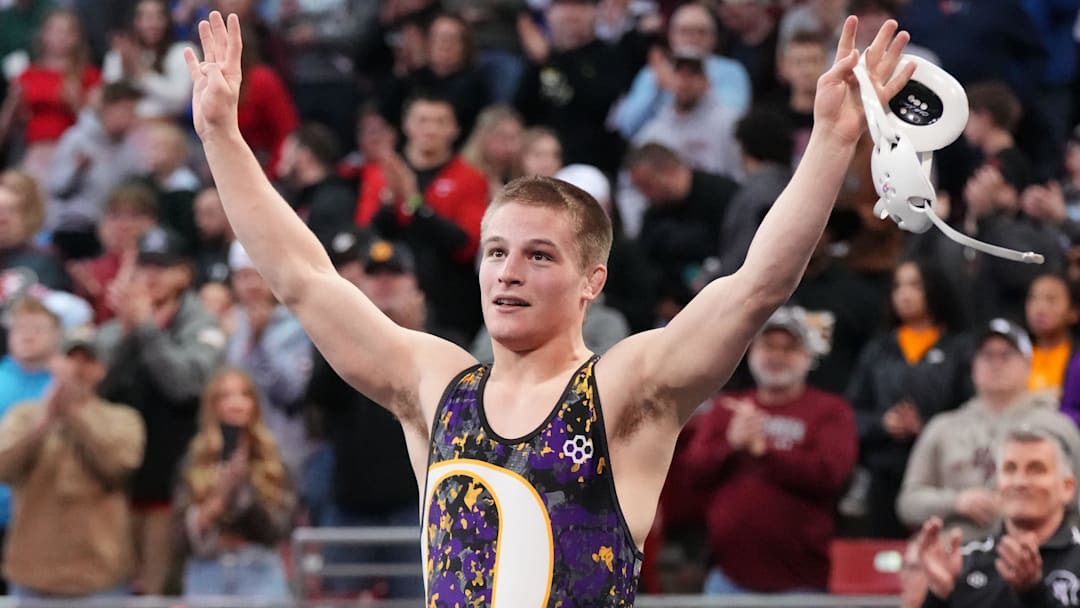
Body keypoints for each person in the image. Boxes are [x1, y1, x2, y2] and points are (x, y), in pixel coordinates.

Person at [184, 11, 914, 603]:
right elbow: (306, 279)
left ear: (592, 281)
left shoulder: (625, 390)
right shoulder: (436, 387)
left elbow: (757, 285)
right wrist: (221, 136)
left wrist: (831, 141)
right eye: (497, 252)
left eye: (539, 255)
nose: (508, 273)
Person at [683, 306, 857, 594]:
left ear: (808, 356)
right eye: (768, 346)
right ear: (751, 351)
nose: (776, 356)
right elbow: (692, 474)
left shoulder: (831, 411)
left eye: (789, 348)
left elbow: (831, 476)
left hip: (802, 580)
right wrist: (730, 445)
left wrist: (765, 451)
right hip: (727, 576)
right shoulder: (727, 408)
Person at [896, 319, 1080, 542]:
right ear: (973, 367)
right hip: (955, 554)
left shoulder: (1058, 427)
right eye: (986, 355)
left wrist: (1025, 504)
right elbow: (907, 503)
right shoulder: (942, 427)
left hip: (1036, 552)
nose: (996, 363)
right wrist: (956, 501)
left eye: (1006, 355)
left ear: (1028, 364)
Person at [0, 326, 144, 599]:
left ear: (101, 370)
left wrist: (74, 415)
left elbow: (118, 467)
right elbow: (3, 467)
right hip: (32, 575)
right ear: (55, 364)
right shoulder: (24, 415)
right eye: (71, 358)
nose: (77, 368)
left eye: (87, 360)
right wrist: (43, 422)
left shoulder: (123, 419)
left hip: (99, 577)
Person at [916, 427, 1080, 607]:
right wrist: (938, 596)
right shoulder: (963, 562)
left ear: (1067, 487)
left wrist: (1032, 593)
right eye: (1010, 469)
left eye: (1036, 469)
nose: (1020, 482)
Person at [174, 367, 294, 600]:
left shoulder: (275, 459)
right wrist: (216, 502)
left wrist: (243, 494)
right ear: (213, 405)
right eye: (225, 396)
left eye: (244, 395)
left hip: (260, 571)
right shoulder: (194, 459)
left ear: (255, 404)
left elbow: (280, 528)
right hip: (208, 571)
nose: (236, 403)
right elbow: (179, 538)